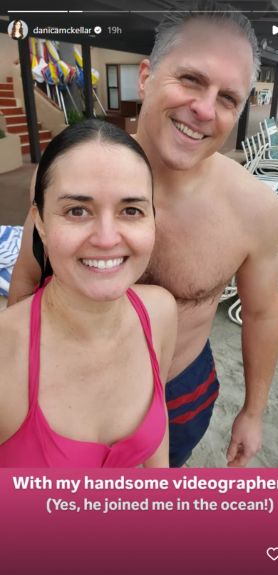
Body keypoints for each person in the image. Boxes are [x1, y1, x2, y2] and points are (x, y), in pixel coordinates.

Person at [8, 1, 278, 468]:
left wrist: (253, 412)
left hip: (179, 390)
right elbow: (27, 279)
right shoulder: (66, 177)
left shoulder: (253, 209)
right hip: (59, 388)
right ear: (145, 77)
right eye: (191, 79)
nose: (202, 108)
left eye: (227, 98)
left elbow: (260, 313)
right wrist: (21, 380)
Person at [0, 120, 177, 468]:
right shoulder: (6, 354)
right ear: (40, 224)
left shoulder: (160, 313)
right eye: (77, 211)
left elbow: (159, 431)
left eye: (131, 210)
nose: (107, 238)